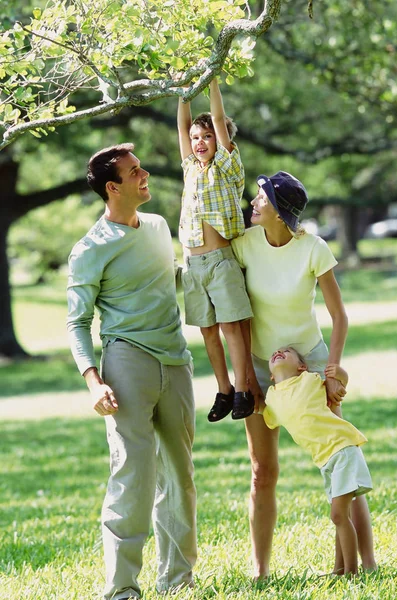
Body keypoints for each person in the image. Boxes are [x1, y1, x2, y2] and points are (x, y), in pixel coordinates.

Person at [66, 143, 197, 600]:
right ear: (112, 186)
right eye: (134, 171)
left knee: (180, 476)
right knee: (133, 475)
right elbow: (77, 322)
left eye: (142, 168)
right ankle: (122, 589)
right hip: (126, 363)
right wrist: (93, 381)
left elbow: (172, 277)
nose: (144, 176)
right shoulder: (89, 249)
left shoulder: (159, 226)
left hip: (176, 361)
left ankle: (178, 580)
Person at [231, 171, 377, 578]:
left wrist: (331, 371)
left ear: (280, 211)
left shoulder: (313, 249)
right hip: (262, 367)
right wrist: (244, 377)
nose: (253, 203)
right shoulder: (244, 245)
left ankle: (366, 564)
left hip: (310, 362)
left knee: (340, 456)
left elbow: (339, 315)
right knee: (262, 469)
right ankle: (259, 569)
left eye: (261, 198)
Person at [177, 78, 254, 422]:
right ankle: (223, 389)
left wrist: (212, 82)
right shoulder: (190, 168)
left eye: (206, 136)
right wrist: (183, 91)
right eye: (196, 138)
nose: (199, 142)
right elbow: (182, 123)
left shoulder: (228, 167)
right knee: (207, 331)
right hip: (193, 265)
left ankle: (242, 389)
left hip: (221, 261)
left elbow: (219, 121)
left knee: (230, 327)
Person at [264, 346, 373, 575]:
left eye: (287, 351)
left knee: (338, 515)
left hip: (342, 449)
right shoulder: (272, 398)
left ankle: (352, 574)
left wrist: (341, 374)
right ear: (271, 376)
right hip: (325, 461)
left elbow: (338, 384)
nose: (278, 352)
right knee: (339, 516)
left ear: (301, 366)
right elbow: (263, 415)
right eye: (275, 352)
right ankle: (339, 569)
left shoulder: (309, 380)